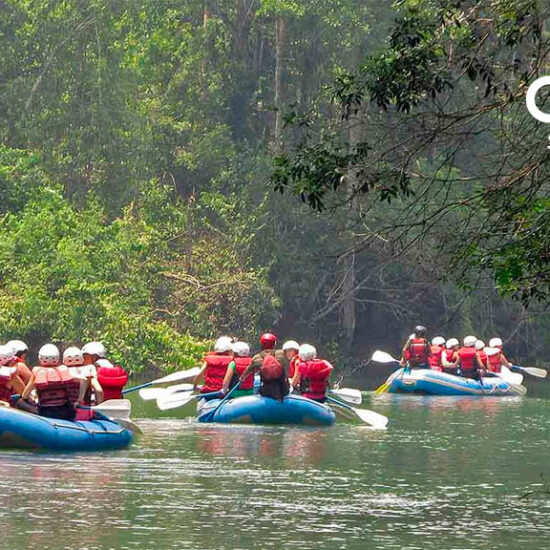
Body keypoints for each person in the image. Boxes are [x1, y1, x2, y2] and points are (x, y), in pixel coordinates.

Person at [21, 344, 85, 421]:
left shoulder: (36, 372)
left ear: (40, 359)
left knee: (19, 401)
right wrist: (80, 399)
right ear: (57, 359)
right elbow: (83, 379)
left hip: (46, 412)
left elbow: (25, 395)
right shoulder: (64, 370)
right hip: (65, 411)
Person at [239, 333, 290, 401]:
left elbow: (246, 373)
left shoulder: (256, 358)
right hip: (283, 391)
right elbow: (287, 369)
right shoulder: (282, 354)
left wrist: (241, 378)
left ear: (262, 344)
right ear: (274, 343)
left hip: (266, 392)